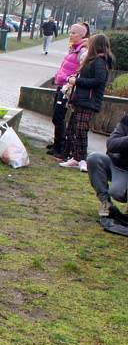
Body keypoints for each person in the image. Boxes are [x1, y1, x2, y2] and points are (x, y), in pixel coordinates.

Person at [59, 33, 113, 172]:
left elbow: (98, 81)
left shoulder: (99, 62)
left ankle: (82, 159)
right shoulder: (93, 60)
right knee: (74, 127)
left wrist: (77, 81)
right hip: (81, 99)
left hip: (89, 101)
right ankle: (75, 157)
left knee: (81, 129)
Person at [47, 23, 88, 159]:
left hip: (67, 88)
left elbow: (81, 70)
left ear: (81, 35)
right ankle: (57, 143)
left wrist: (68, 79)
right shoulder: (73, 48)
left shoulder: (83, 51)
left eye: (73, 33)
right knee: (55, 115)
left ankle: (61, 146)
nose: (70, 35)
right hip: (62, 85)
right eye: (70, 32)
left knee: (59, 116)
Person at [88, 113, 128, 217]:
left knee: (118, 192)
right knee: (94, 158)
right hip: (120, 166)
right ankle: (106, 205)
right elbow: (111, 144)